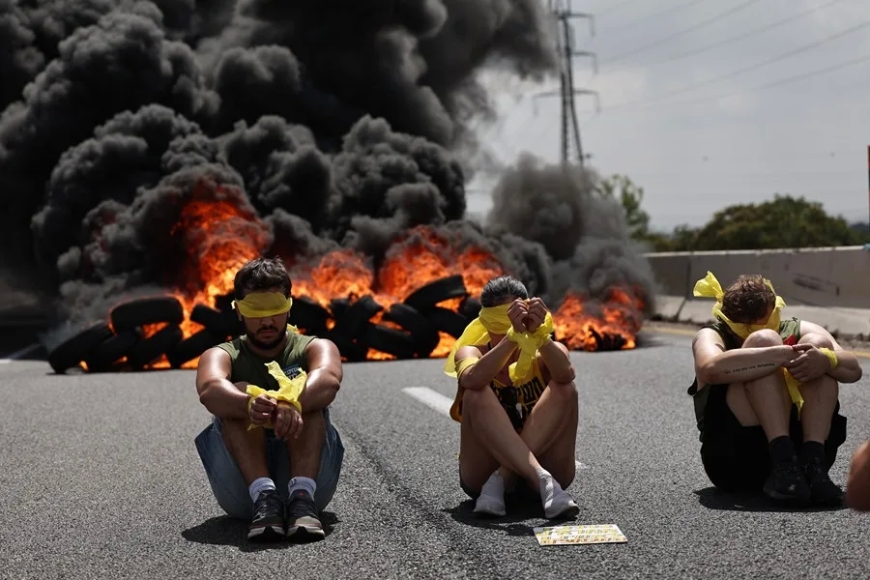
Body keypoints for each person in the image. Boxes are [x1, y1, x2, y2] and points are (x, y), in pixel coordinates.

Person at [194, 257, 345, 543]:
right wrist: (249, 404)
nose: (266, 321)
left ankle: (301, 497)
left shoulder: (316, 347)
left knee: (309, 400)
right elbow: (210, 388)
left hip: (314, 489)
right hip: (243, 495)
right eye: (255, 310)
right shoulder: (221, 354)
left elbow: (328, 378)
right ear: (239, 310)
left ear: (289, 306)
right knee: (239, 391)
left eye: (274, 308)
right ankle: (264, 495)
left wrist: (291, 401)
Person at [689, 271, 863, 506]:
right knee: (764, 342)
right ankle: (782, 461)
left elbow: (853, 369)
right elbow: (708, 368)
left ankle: (812, 463)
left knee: (819, 347)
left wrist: (826, 360)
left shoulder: (797, 328)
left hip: (804, 461)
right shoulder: (712, 334)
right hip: (736, 457)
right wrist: (777, 355)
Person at [444, 275, 580, 519]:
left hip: (541, 465)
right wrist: (511, 338)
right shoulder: (470, 351)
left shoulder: (545, 353)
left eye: (518, 321)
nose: (508, 330)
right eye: (500, 325)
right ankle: (542, 479)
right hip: (482, 474)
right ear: (485, 324)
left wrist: (540, 337)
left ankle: (506, 477)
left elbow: (566, 374)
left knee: (566, 389)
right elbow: (471, 380)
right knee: (475, 393)